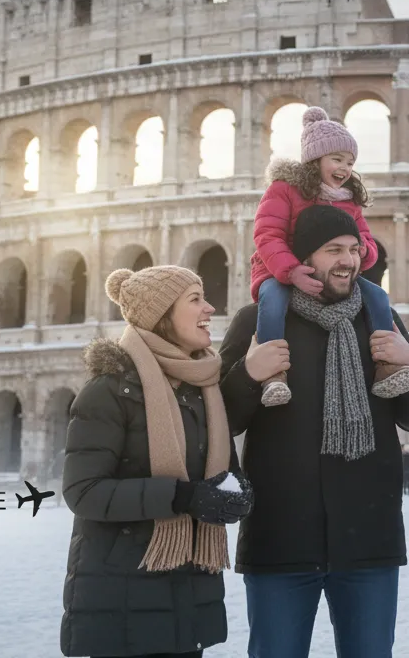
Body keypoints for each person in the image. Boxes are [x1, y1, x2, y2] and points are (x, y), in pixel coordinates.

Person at [219, 205, 409, 658]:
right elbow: (222, 422)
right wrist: (248, 373)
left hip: (368, 540)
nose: (349, 260)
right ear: (302, 258)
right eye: (333, 249)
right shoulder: (257, 321)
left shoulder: (381, 319)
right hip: (280, 539)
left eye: (355, 249)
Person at [60, 266, 253, 658]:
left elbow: (221, 473)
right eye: (195, 299)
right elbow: (83, 492)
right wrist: (183, 497)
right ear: (161, 314)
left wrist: (236, 493)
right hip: (121, 594)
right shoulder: (110, 390)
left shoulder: (205, 389)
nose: (210, 308)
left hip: (189, 591)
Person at [249, 106, 409, 406]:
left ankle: (386, 365)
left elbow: (366, 238)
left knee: (378, 296)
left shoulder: (349, 200)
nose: (345, 168)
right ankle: (273, 374)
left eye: (350, 162)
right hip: (278, 270)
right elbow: (267, 235)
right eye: (337, 159)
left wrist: (363, 251)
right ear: (315, 159)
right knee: (272, 300)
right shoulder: (284, 189)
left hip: (330, 279)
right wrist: (290, 271)